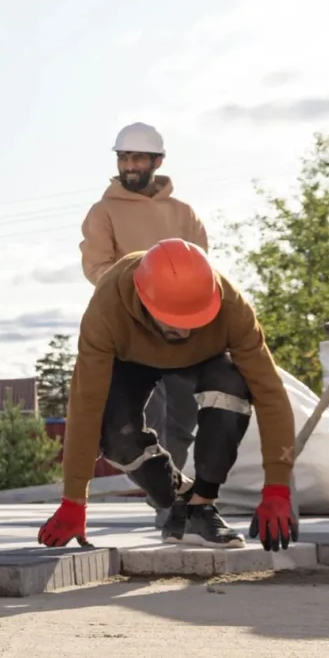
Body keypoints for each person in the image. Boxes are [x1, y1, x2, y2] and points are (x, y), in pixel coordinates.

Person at [37, 239, 300, 552]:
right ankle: (179, 500)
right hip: (131, 359)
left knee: (231, 383)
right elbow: (85, 405)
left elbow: (270, 395)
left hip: (205, 359)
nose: (186, 332)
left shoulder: (233, 307)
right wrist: (74, 501)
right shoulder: (106, 311)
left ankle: (201, 508)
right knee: (115, 434)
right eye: (176, 323)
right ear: (144, 302)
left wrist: (277, 489)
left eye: (195, 321)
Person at [78, 121, 211, 494]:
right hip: (132, 329)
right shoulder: (103, 212)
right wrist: (144, 299)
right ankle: (166, 500)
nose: (129, 165)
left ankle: (173, 495)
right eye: (123, 158)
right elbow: (98, 268)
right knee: (141, 420)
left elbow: (202, 267)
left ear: (157, 161)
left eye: (137, 158)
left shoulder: (184, 213)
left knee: (183, 419)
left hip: (181, 329)